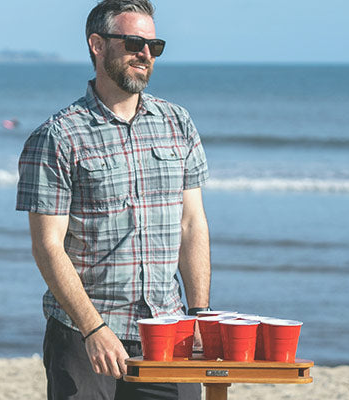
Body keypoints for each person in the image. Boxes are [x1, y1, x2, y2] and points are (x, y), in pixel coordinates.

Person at [16, 1, 210, 398]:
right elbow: (48, 246)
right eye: (135, 43)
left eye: (154, 46)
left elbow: (192, 224)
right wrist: (93, 328)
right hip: (83, 336)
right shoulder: (57, 136)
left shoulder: (178, 123)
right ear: (97, 45)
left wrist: (200, 316)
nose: (145, 54)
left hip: (169, 333)